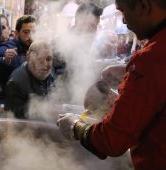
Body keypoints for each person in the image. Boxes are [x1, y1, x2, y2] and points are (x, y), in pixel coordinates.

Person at [57, 0, 166, 169]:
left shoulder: (152, 59)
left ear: (144, 7)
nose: (123, 21)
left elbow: (111, 139)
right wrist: (127, 72)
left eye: (123, 11)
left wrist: (75, 125)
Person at [0, 15, 36, 103]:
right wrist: (4, 61)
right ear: (17, 33)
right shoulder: (6, 48)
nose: (30, 36)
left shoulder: (36, 49)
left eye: (33, 32)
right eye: (26, 32)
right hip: (9, 104)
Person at [5, 40, 54, 119]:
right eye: (40, 59)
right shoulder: (16, 83)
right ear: (28, 58)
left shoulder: (49, 77)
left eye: (49, 59)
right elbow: (14, 120)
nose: (45, 65)